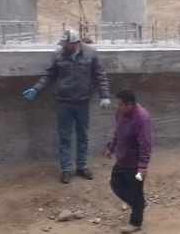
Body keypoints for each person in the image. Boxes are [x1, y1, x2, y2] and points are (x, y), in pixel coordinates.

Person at [22, 30, 112, 183]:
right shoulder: (59, 54)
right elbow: (49, 75)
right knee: (65, 137)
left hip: (83, 102)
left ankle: (82, 167)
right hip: (64, 102)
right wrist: (36, 89)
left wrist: (104, 95)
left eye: (66, 44)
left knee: (83, 135)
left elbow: (100, 75)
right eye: (63, 43)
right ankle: (66, 169)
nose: (63, 46)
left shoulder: (90, 54)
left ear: (75, 43)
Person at [105, 89, 153, 233]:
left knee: (136, 191)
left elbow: (145, 144)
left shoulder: (142, 118)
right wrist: (111, 147)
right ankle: (139, 205)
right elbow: (117, 132)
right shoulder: (121, 113)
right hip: (122, 159)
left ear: (130, 104)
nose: (118, 107)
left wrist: (142, 167)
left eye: (120, 105)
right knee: (115, 184)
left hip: (135, 164)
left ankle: (135, 222)